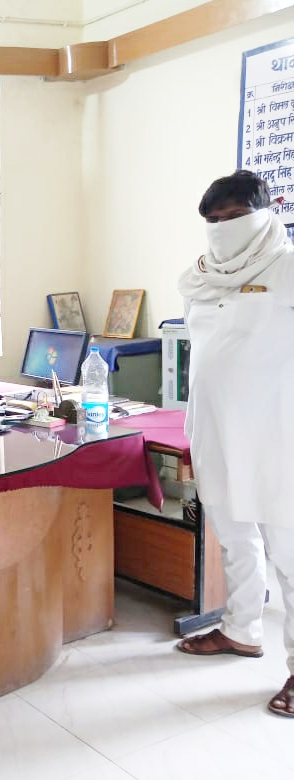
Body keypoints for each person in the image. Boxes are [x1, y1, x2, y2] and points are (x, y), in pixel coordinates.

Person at [176, 169, 294, 718]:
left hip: (276, 434)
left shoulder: (287, 267)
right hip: (214, 428)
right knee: (233, 535)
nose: (223, 227)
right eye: (214, 219)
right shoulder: (199, 277)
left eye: (235, 216)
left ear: (265, 214)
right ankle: (241, 630)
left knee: (289, 551)